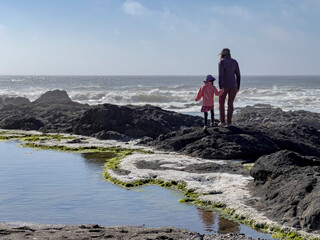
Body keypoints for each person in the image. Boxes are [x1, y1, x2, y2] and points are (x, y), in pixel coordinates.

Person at [218, 48, 241, 127]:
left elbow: (221, 76)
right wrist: (238, 87)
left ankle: (222, 121)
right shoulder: (234, 62)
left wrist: (220, 87)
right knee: (230, 103)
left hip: (224, 85)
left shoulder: (222, 62)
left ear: (222, 53)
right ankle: (229, 123)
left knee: (221, 103)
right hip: (233, 85)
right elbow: (238, 75)